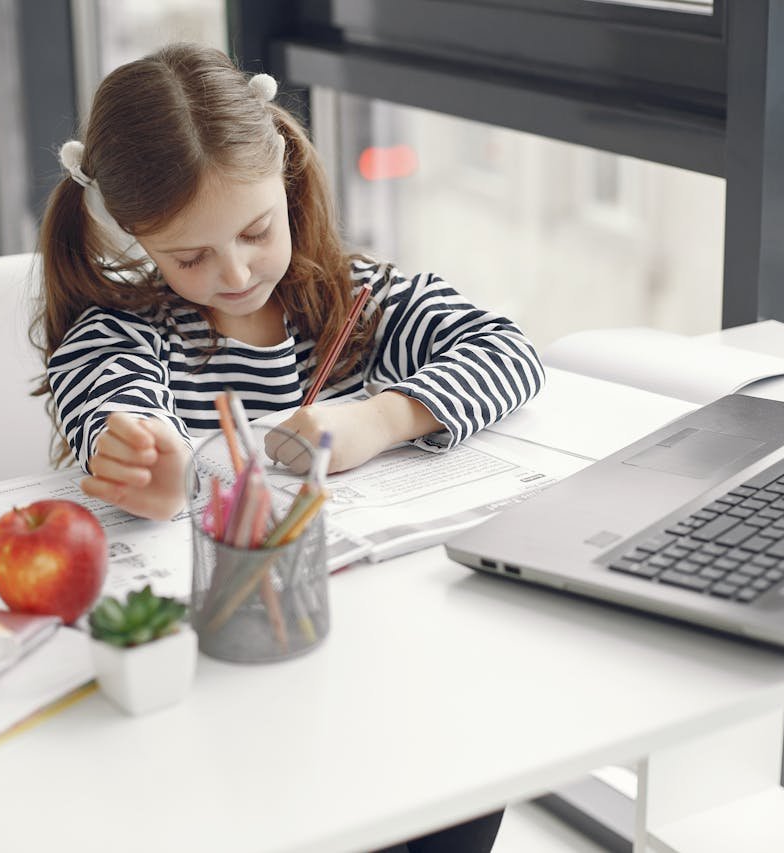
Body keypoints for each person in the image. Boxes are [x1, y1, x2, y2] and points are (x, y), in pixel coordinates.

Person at [34, 41, 538, 852]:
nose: (233, 273)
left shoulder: (362, 301)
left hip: (374, 664)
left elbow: (506, 350)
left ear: (289, 182)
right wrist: (145, 459)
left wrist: (382, 417)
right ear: (136, 237)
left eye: (256, 231)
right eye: (189, 256)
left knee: (471, 767)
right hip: (226, 693)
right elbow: (111, 401)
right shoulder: (126, 332)